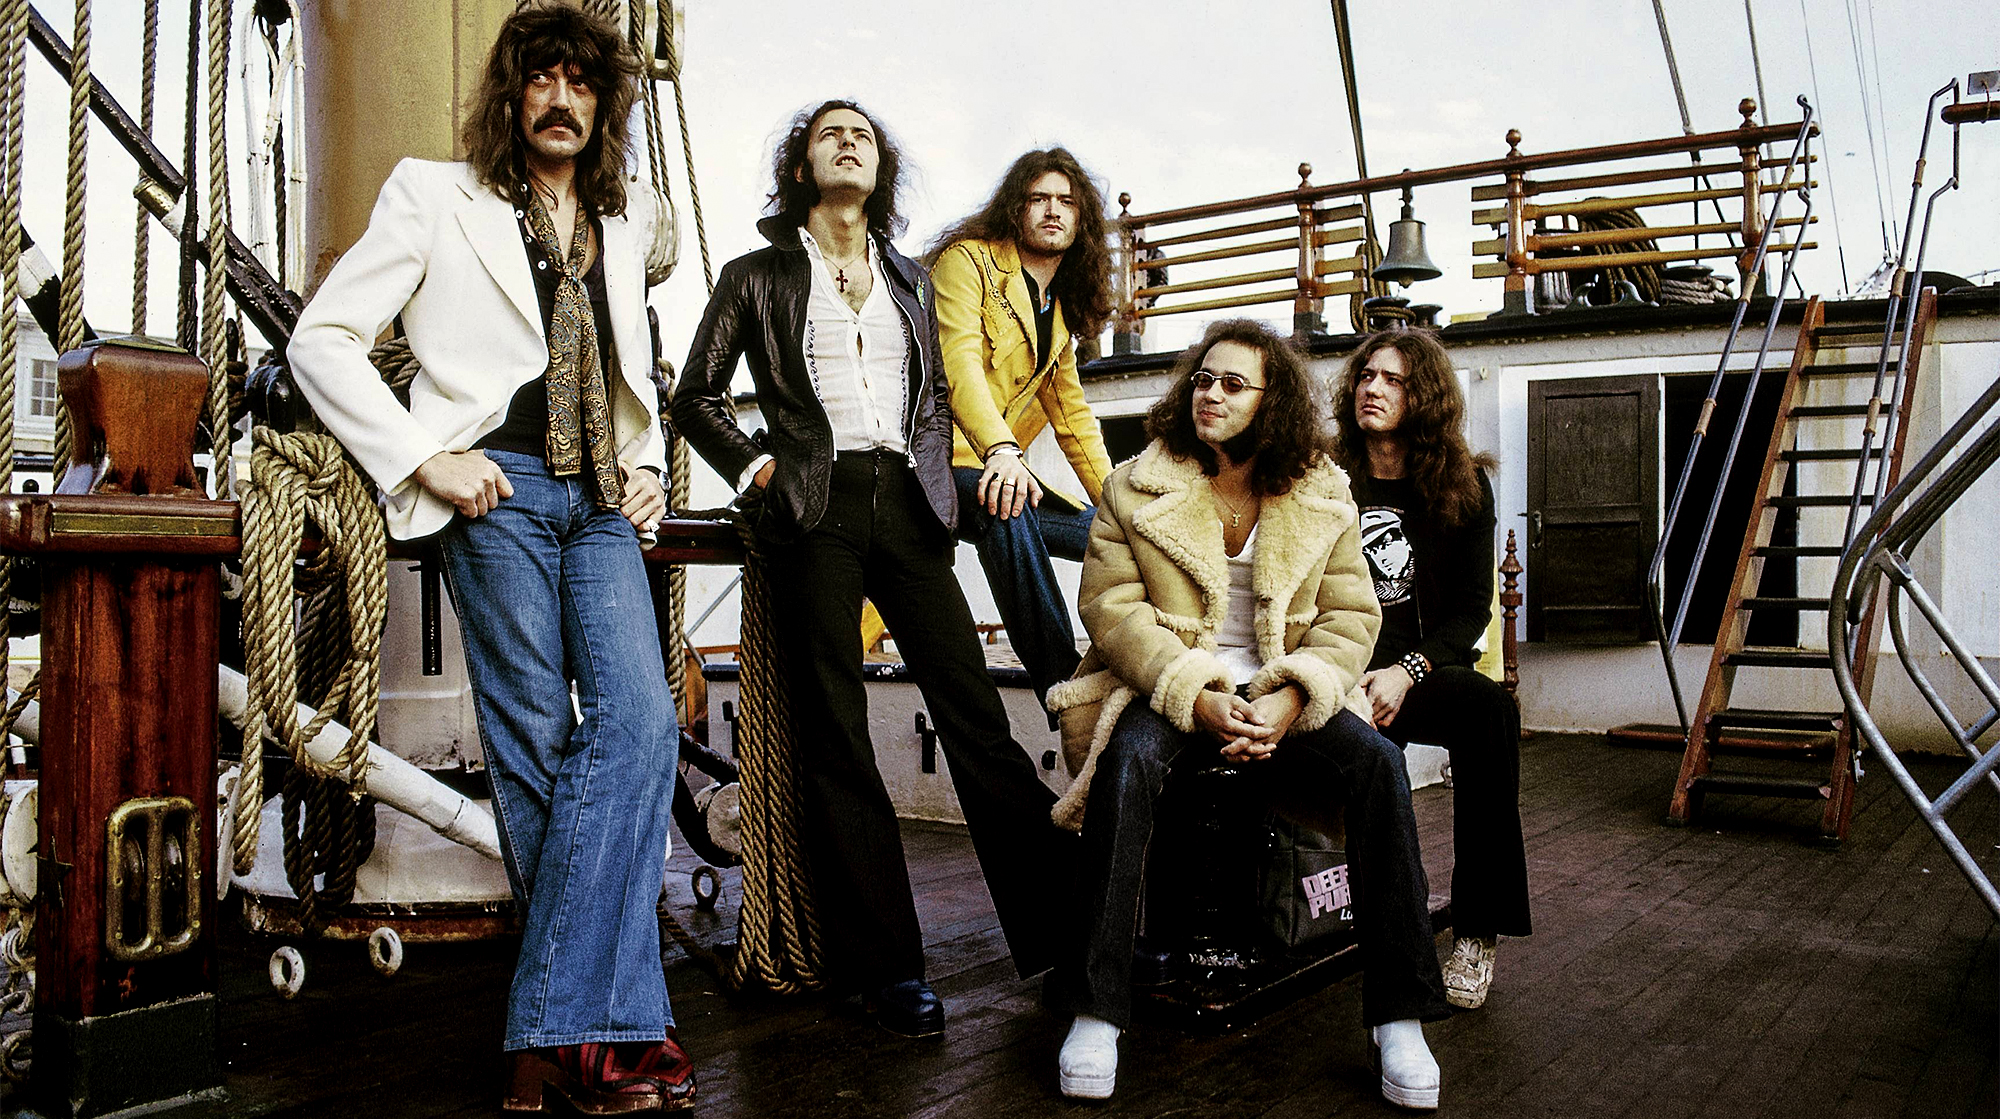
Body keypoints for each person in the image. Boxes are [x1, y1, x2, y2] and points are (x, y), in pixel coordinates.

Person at [287, 4, 695, 1112]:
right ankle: (617, 1036)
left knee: (641, 723)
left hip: (602, 500)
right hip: (495, 490)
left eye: (581, 81)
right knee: (535, 744)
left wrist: (645, 461)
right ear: (512, 95)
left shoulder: (624, 214)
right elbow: (321, 339)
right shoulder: (433, 193)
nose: (561, 98)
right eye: (541, 78)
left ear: (603, 104)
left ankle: (549, 1030)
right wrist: (424, 458)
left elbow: (625, 368)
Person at [670, 100, 1073, 1038]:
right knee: (837, 735)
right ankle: (886, 965)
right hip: (815, 507)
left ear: (880, 171)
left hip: (911, 504)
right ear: (801, 169)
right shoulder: (755, 275)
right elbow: (694, 396)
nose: (849, 142)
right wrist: (760, 469)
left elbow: (933, 397)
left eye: (863, 135)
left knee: (977, 718)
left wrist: (953, 472)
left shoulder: (911, 280)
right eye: (830, 134)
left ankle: (1066, 934)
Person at [1045, 319, 1449, 1109]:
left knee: (1378, 764)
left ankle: (1399, 1014)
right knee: (1125, 761)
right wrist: (1194, 693)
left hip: (1279, 688)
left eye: (1233, 384)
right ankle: (1095, 1009)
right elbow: (1112, 609)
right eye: (1203, 379)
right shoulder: (1135, 483)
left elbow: (1349, 618)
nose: (1211, 393)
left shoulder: (1322, 491)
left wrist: (1294, 695)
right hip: (1170, 684)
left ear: (1273, 402)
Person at [1332, 327, 1531, 1011]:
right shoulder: (1326, 477)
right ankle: (1376, 913)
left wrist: (1407, 670)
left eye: (1393, 379)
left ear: (1425, 396)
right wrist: (1343, 673)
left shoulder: (1462, 485)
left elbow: (1473, 608)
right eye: (1367, 376)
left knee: (1489, 712)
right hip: (1337, 664)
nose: (1373, 388)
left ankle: (1476, 931)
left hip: (1418, 669)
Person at [925, 148, 1116, 704]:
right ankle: (1065, 689)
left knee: (1116, 535)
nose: (1053, 210)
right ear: (1016, 208)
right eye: (1039, 198)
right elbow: (959, 365)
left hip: (995, 471)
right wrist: (1003, 450)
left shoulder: (1057, 307)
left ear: (1081, 220)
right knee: (1006, 504)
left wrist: (1119, 503)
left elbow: (1073, 418)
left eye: (1066, 201)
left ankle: (1155, 657)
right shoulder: (967, 263)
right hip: (935, 464)